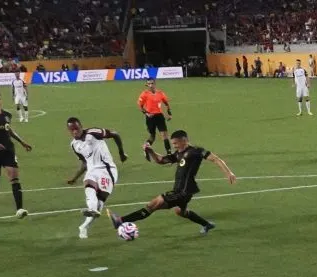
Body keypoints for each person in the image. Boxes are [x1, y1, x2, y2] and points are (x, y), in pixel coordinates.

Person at [108, 130, 236, 235]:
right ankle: (207, 224)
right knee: (181, 212)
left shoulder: (196, 151)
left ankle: (120, 220)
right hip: (183, 190)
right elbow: (161, 160)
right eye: (173, 144)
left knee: (152, 205)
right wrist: (150, 150)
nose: (174, 146)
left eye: (175, 143)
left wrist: (228, 173)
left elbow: (215, 159)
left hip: (183, 191)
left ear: (184, 140)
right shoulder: (178, 154)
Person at [65, 117, 127, 239]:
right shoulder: (74, 145)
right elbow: (85, 162)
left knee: (99, 203)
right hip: (92, 171)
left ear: (81, 126)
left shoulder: (93, 132)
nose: (74, 131)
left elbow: (115, 134)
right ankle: (92, 210)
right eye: (71, 129)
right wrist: (75, 178)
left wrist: (121, 153)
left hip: (107, 169)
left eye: (76, 128)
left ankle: (84, 226)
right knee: (89, 187)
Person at [138, 79, 172, 154]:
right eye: (149, 84)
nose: (150, 85)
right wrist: (146, 113)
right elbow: (140, 106)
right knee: (152, 136)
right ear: (147, 85)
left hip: (159, 116)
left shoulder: (160, 93)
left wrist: (169, 113)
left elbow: (166, 103)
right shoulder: (144, 94)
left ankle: (169, 154)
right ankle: (146, 148)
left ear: (155, 84)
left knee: (164, 135)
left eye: (152, 83)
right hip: (150, 117)